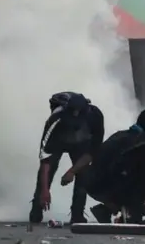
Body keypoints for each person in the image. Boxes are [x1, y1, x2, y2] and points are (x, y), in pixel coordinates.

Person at [29, 91, 104, 224]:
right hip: (58, 142)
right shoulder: (55, 120)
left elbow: (92, 152)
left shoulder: (95, 117)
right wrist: (45, 190)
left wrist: (72, 171)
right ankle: (37, 209)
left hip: (81, 146)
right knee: (47, 173)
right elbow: (45, 160)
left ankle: (77, 214)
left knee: (84, 173)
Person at [84, 109, 145, 224]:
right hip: (103, 184)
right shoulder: (140, 141)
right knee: (143, 179)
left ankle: (107, 210)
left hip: (91, 182)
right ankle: (132, 218)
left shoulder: (121, 135)